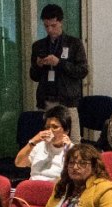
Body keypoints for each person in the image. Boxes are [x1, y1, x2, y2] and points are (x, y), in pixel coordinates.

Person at [30, 4, 88, 143]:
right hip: (46, 101)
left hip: (67, 101)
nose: (50, 30)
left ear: (61, 22)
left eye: (53, 25)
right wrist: (38, 65)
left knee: (72, 142)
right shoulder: (38, 46)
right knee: (48, 142)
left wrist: (59, 63)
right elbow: (33, 76)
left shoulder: (74, 44)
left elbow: (82, 71)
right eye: (46, 26)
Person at [15, 105, 73, 181]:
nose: (50, 131)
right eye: (47, 127)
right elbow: (19, 163)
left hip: (55, 190)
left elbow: (72, 178)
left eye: (55, 127)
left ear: (66, 131)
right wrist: (33, 142)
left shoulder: (72, 149)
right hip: (34, 187)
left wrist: (67, 152)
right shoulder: (39, 145)